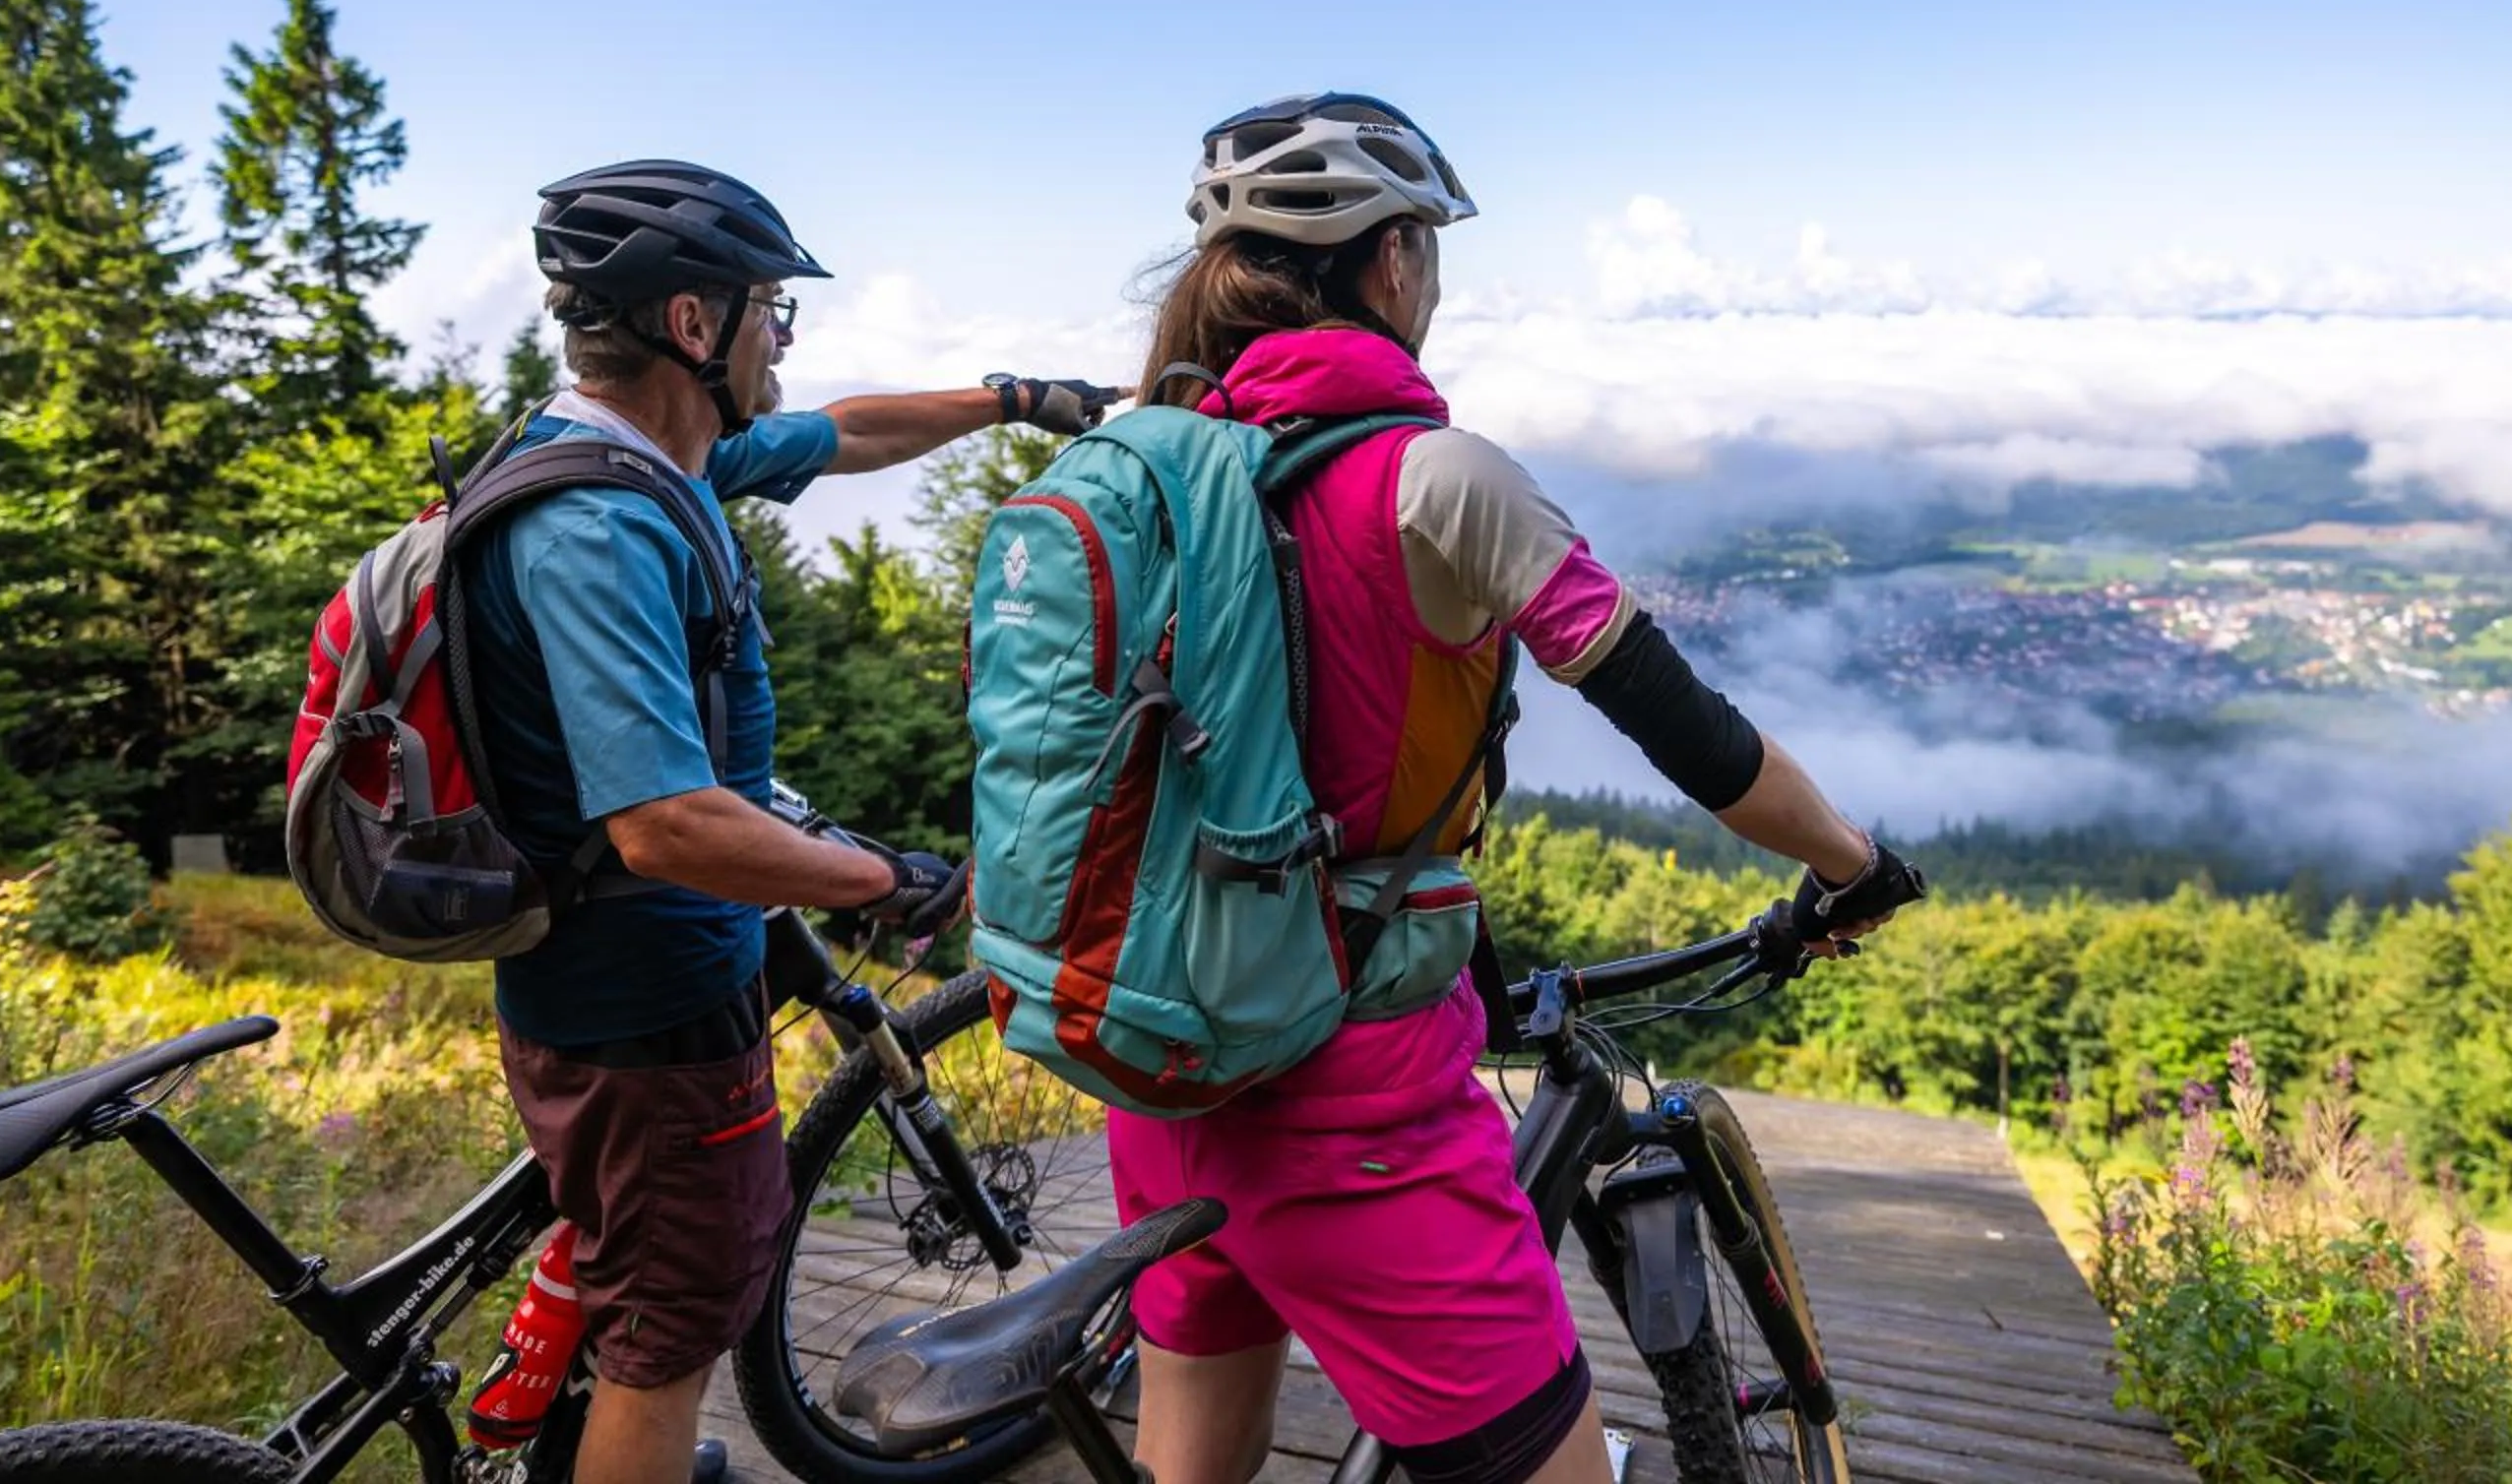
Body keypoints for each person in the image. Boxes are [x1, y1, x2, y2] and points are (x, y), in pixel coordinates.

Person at [1114, 95, 1921, 1484]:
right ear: (1396, 262)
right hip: (1351, 1087)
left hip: (1161, 1052)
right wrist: (1853, 865)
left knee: (1192, 1467)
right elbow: (1694, 735)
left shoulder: (1145, 468)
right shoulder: (1440, 478)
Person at [470, 158, 1110, 1484]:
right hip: (644, 1010)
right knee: (671, 1342)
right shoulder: (601, 526)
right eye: (773, 311)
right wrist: (886, 876)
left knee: (633, 1277)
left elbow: (844, 435)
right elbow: (667, 827)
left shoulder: (648, 457)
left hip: (621, 992)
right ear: (693, 327)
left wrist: (1013, 400)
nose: (784, 339)